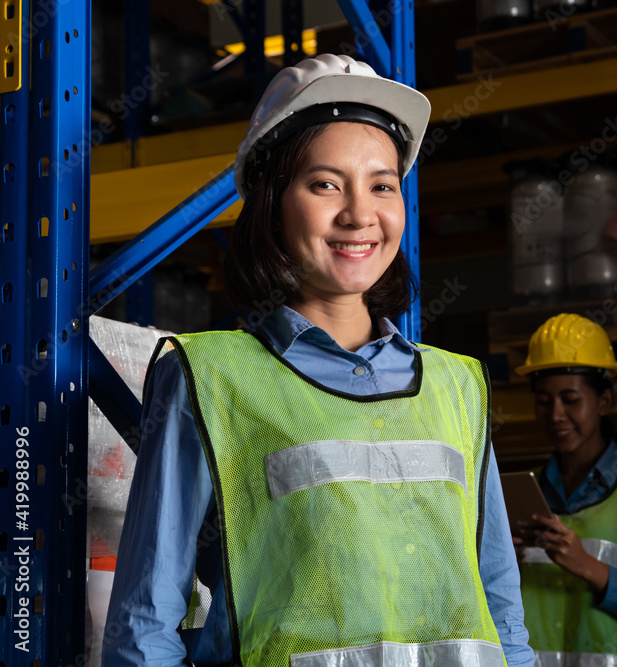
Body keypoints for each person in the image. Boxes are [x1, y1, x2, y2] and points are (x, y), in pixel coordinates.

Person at [103, 54, 534, 667]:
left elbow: (502, 613)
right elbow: (144, 630)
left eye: (383, 185)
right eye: (326, 184)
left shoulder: (458, 384)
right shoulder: (211, 377)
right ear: (274, 205)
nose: (360, 214)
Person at [512, 313, 617, 667]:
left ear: (604, 401)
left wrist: (588, 567)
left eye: (570, 399)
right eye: (544, 401)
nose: (556, 414)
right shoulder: (520, 491)